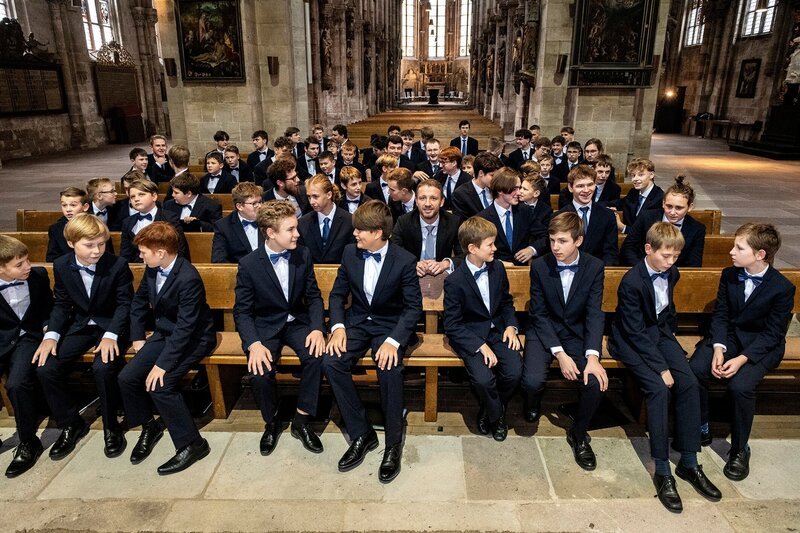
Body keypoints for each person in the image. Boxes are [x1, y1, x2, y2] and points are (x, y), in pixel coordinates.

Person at [609, 222, 721, 512]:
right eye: (666, 257)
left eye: (675, 257)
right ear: (648, 249)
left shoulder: (672, 272)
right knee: (659, 389)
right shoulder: (632, 282)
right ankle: (661, 468)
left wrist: (670, 343)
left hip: (659, 334)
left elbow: (666, 310)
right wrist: (661, 367)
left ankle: (689, 461)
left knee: (690, 382)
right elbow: (633, 332)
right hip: (630, 340)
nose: (671, 263)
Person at [322, 200, 422, 483]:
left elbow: (413, 308)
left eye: (360, 231)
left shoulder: (404, 260)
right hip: (356, 323)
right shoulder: (350, 253)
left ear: (377, 232)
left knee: (388, 367)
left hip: (389, 327)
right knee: (331, 361)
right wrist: (338, 326)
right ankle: (361, 433)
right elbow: (338, 294)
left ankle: (392, 444)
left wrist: (393, 340)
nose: (355, 234)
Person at [690, 223, 796, 482]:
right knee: (695, 369)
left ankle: (739, 448)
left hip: (761, 346)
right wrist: (718, 348)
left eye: (739, 247)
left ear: (760, 254)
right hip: (729, 340)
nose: (731, 252)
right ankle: (702, 424)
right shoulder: (730, 275)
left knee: (740, 386)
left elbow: (773, 334)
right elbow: (722, 315)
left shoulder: (782, 288)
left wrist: (740, 360)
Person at [34, 214, 132, 460]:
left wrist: (111, 335)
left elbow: (124, 304)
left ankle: (111, 426)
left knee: (103, 367)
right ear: (71, 243)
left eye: (101, 244)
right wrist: (51, 335)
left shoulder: (117, 265)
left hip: (110, 326)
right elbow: (62, 304)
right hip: (80, 326)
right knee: (46, 367)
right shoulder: (62, 265)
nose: (97, 250)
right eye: (89, 245)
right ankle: (70, 422)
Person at [120, 222, 216, 474]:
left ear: (160, 252)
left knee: (160, 385)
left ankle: (193, 444)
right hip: (165, 333)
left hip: (194, 338)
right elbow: (139, 302)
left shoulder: (188, 278)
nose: (139, 256)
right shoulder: (153, 269)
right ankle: (148, 426)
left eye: (143, 251)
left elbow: (186, 327)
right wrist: (138, 337)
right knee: (127, 377)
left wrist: (161, 365)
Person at [234, 201, 327, 456]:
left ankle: (301, 420)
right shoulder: (250, 264)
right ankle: (272, 421)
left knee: (316, 356)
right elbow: (242, 310)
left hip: (297, 321)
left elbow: (314, 297)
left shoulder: (302, 254)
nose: (297, 234)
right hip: (265, 325)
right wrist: (253, 344)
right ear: (271, 232)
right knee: (259, 370)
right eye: (291, 229)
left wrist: (318, 329)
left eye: (296, 228)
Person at [522, 213, 607, 470]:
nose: (555, 247)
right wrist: (560, 354)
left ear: (578, 240)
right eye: (551, 241)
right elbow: (538, 312)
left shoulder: (594, 266)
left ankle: (579, 434)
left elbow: (594, 312)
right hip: (544, 330)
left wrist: (592, 356)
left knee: (594, 382)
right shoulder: (539, 266)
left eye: (562, 241)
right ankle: (532, 401)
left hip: (576, 333)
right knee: (532, 380)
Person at [443, 216, 522, 441]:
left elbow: (506, 303)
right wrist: (480, 346)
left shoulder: (497, 268)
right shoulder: (455, 281)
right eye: (490, 244)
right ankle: (498, 416)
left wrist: (511, 327)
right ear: (472, 248)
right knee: (483, 380)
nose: (495, 248)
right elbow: (452, 324)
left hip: (498, 330)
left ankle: (489, 409)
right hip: (471, 335)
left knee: (515, 372)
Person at [0, 236, 53, 477]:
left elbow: (49, 308)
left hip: (28, 337)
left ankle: (28, 440)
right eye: (19, 264)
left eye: (27, 260)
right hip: (2, 338)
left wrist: (47, 327)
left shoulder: (38, 276)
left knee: (17, 383)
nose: (27, 266)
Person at [620, 176, 705, 267]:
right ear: (663, 203)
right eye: (669, 206)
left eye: (679, 208)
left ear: (690, 207)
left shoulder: (696, 228)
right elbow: (628, 248)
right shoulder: (646, 217)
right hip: (642, 269)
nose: (672, 212)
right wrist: (644, 269)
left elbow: (694, 263)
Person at [390, 179, 462, 277]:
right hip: (412, 276)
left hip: (443, 276)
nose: (427, 204)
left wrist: (446, 263)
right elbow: (393, 252)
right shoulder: (404, 222)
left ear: (442, 201)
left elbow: (465, 255)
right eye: (422, 198)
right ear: (416, 201)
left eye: (433, 198)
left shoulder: (454, 222)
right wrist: (412, 264)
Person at [477, 167, 539, 266]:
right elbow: (478, 251)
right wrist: (497, 263)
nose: (519, 193)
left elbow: (544, 236)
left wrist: (532, 249)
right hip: (493, 272)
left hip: (522, 272)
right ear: (500, 190)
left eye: (519, 188)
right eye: (515, 189)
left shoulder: (525, 211)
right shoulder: (483, 218)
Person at [558, 165, 619, 265]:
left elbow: (611, 252)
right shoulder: (559, 216)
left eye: (590, 185)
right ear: (570, 187)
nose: (586, 190)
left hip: (598, 269)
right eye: (580, 186)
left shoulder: (608, 216)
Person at [120, 179, 188, 263]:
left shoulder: (169, 218)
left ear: (154, 196)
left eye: (141, 194)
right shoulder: (128, 222)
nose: (136, 199)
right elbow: (125, 253)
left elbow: (179, 249)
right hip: (138, 267)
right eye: (132, 197)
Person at [298, 174, 355, 264]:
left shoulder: (350, 221)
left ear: (329, 195)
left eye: (315, 196)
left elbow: (352, 257)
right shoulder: (302, 223)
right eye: (309, 197)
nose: (311, 202)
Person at [211, 182, 264, 263]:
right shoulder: (223, 226)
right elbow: (219, 260)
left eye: (260, 202)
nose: (260, 206)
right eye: (254, 203)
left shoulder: (269, 220)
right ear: (239, 206)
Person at [613, 158, 663, 234]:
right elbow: (618, 203)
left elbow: (647, 233)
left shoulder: (659, 198)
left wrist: (622, 227)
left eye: (640, 175)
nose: (635, 179)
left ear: (651, 175)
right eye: (633, 175)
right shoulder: (633, 192)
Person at [452, 152, 502, 222]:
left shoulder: (497, 189)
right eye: (492, 175)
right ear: (481, 173)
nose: (496, 179)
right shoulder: (460, 195)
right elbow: (463, 225)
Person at [47, 187, 90, 262]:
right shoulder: (56, 229)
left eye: (73, 205)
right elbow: (52, 258)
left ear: (85, 207)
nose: (68, 209)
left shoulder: (97, 225)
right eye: (64, 205)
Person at [520, 175, 552, 255]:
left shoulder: (546, 211)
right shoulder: (514, 206)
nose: (520, 191)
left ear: (536, 193)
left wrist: (533, 249)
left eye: (525, 189)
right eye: (521, 187)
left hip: (538, 252)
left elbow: (547, 236)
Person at [436, 146, 471, 211]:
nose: (440, 166)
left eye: (444, 163)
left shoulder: (468, 180)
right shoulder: (439, 175)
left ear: (454, 163)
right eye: (440, 162)